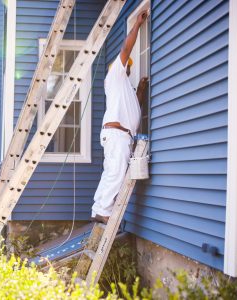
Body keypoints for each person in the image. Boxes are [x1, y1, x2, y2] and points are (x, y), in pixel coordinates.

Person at [92, 10, 149, 224]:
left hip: (119, 135)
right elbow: (126, 48)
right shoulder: (114, 75)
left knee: (111, 173)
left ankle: (99, 207)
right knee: (115, 173)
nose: (129, 68)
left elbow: (134, 106)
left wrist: (141, 89)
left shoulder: (125, 88)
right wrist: (136, 25)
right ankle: (104, 211)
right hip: (117, 135)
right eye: (128, 66)